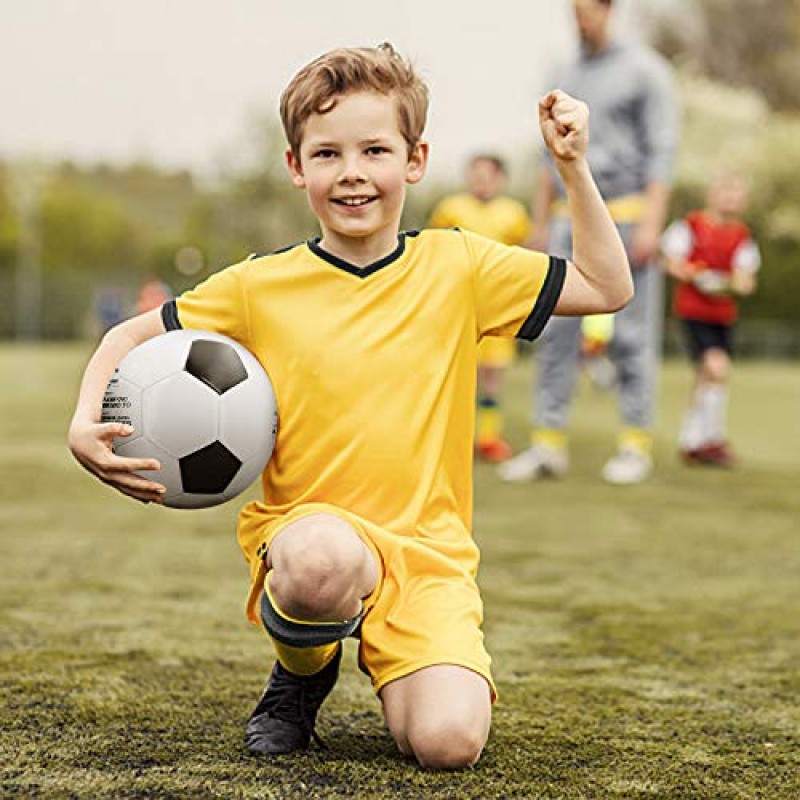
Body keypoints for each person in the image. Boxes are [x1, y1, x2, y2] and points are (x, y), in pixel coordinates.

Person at [67, 44, 632, 769]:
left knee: (448, 746)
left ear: (416, 159)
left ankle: (390, 655)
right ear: (297, 167)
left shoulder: (461, 266)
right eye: (328, 153)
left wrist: (572, 167)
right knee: (320, 561)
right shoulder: (259, 286)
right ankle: (302, 675)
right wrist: (84, 421)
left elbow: (606, 286)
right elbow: (128, 334)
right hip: (310, 537)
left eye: (375, 149)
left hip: (428, 554)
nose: (354, 172)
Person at [500, 0, 679, 486]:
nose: (579, 20)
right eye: (573, 11)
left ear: (608, 9)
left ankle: (634, 445)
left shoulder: (648, 73)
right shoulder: (564, 72)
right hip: (563, 222)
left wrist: (652, 224)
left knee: (630, 335)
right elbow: (546, 156)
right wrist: (539, 226)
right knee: (554, 333)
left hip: (626, 216)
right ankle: (547, 445)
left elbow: (662, 154)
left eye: (587, 11)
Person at [427, 155, 532, 462]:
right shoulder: (451, 209)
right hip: (457, 306)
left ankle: (488, 438)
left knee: (491, 377)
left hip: (496, 307)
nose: (480, 182)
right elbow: (434, 250)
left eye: (487, 176)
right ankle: (449, 441)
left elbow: (525, 253)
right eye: (475, 175)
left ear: (500, 179)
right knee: (453, 376)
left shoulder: (513, 214)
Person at [661, 171, 761, 467]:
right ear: (712, 195)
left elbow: (746, 279)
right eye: (725, 192)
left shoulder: (742, 235)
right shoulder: (690, 226)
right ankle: (711, 439)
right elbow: (671, 262)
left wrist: (732, 283)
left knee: (711, 375)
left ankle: (693, 441)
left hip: (722, 315)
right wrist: (697, 275)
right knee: (716, 367)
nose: (730, 199)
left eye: (736, 193)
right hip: (694, 311)